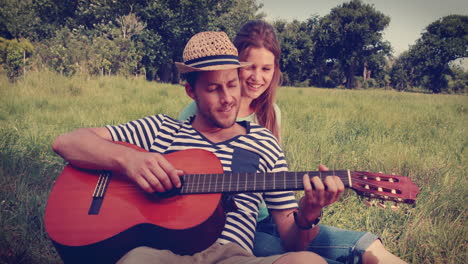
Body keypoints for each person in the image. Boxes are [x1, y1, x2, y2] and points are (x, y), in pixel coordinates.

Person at [52, 31, 334, 264]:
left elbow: (291, 239)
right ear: (191, 91)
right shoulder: (161, 129)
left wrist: (308, 213)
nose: (227, 98)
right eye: (213, 89)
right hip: (161, 255)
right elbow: (67, 142)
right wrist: (129, 159)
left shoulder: (264, 142)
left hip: (233, 257)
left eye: (232, 85)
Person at [178, 20, 406, 264]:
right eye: (250, 68)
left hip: (277, 216)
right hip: (238, 226)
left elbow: (274, 177)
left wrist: (305, 209)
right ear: (236, 66)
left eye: (266, 69)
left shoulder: (271, 112)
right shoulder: (199, 111)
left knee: (370, 247)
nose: (257, 77)